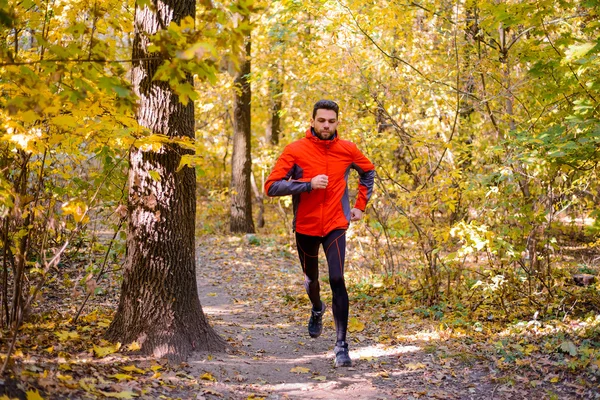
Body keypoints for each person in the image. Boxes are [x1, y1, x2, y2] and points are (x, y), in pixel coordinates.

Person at [264, 99, 375, 367]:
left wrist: (360, 206)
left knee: (337, 278)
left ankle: (341, 346)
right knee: (312, 280)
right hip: (306, 226)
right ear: (312, 121)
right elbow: (271, 186)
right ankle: (316, 308)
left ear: (337, 122)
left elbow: (368, 172)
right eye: (322, 120)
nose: (326, 125)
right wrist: (307, 185)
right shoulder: (295, 150)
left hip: (336, 224)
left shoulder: (347, 150)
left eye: (331, 121)